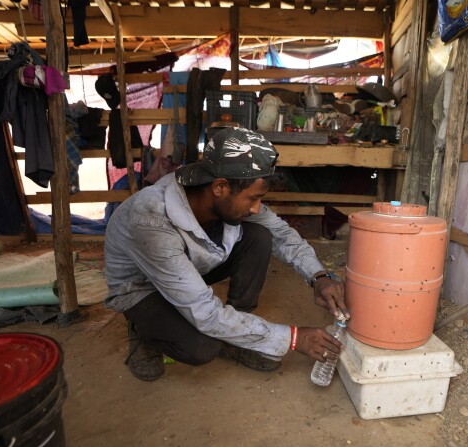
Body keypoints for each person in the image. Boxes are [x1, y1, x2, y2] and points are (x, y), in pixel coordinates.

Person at [104, 127, 350, 381]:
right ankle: (144, 334)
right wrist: (294, 337)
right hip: (144, 288)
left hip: (188, 269)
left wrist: (319, 276)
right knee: (201, 347)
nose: (257, 208)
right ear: (220, 186)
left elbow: (281, 234)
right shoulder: (151, 223)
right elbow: (206, 314)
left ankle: (237, 333)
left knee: (260, 236)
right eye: (253, 199)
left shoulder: (225, 195)